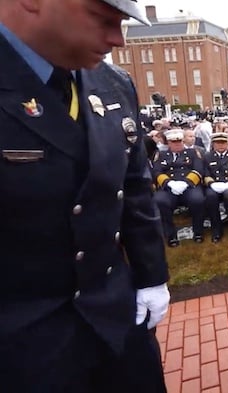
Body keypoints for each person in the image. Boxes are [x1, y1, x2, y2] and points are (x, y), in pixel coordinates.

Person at [0, 1, 170, 392]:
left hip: (115, 312)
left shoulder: (112, 83)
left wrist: (151, 276)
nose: (118, 40)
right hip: (21, 337)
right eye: (102, 18)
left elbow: (135, 185)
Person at [152, 129, 207, 246]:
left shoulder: (192, 152)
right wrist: (169, 183)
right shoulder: (161, 154)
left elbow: (198, 169)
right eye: (174, 142)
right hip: (169, 187)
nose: (178, 144)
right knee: (160, 201)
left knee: (198, 200)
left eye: (180, 141)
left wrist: (186, 182)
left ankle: (198, 232)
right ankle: (171, 235)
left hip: (189, 185)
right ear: (169, 143)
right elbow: (156, 172)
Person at [203, 132, 228, 242]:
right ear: (213, 144)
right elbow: (205, 172)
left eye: (223, 143)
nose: (221, 145)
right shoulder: (207, 156)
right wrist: (211, 183)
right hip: (213, 185)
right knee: (210, 197)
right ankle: (216, 230)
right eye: (218, 143)